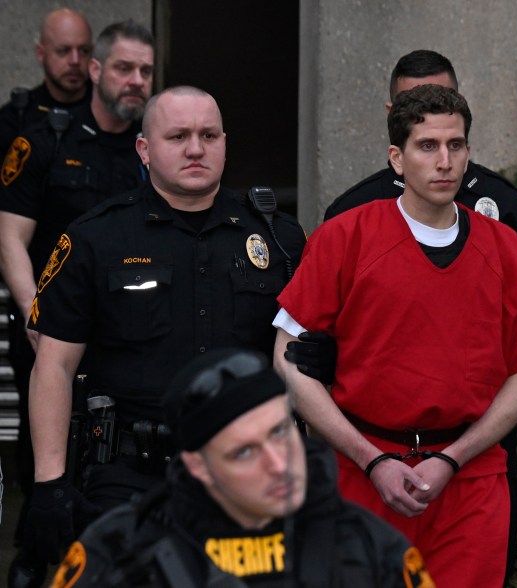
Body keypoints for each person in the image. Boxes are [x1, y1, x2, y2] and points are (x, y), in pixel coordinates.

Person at [306, 49, 517, 581]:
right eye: (427, 143)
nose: (443, 159)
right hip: (367, 461)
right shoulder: (347, 220)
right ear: (396, 149)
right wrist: (364, 456)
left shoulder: (504, 222)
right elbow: (297, 358)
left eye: (455, 144)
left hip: (474, 462)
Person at [21, 87, 307, 578]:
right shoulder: (97, 237)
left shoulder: (279, 240)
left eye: (208, 135)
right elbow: (54, 364)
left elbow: (297, 357)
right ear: (144, 149)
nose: (196, 148)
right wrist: (49, 485)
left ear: (224, 143)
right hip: (131, 476)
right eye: (178, 136)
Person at [51, 347, 435, 587]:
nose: (278, 463)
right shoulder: (119, 550)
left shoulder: (369, 547)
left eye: (280, 433)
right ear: (198, 466)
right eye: (244, 453)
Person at [2, 19, 154, 586]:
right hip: (51, 327)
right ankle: (37, 551)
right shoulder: (46, 140)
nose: (136, 81)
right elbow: (11, 238)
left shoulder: (154, 148)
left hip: (124, 331)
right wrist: (33, 312)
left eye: (145, 71)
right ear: (96, 70)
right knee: (45, 438)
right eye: (123, 68)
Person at [0, 8, 93, 155]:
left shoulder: (108, 112)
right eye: (63, 50)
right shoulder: (16, 118)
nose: (75, 61)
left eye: (84, 51)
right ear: (41, 54)